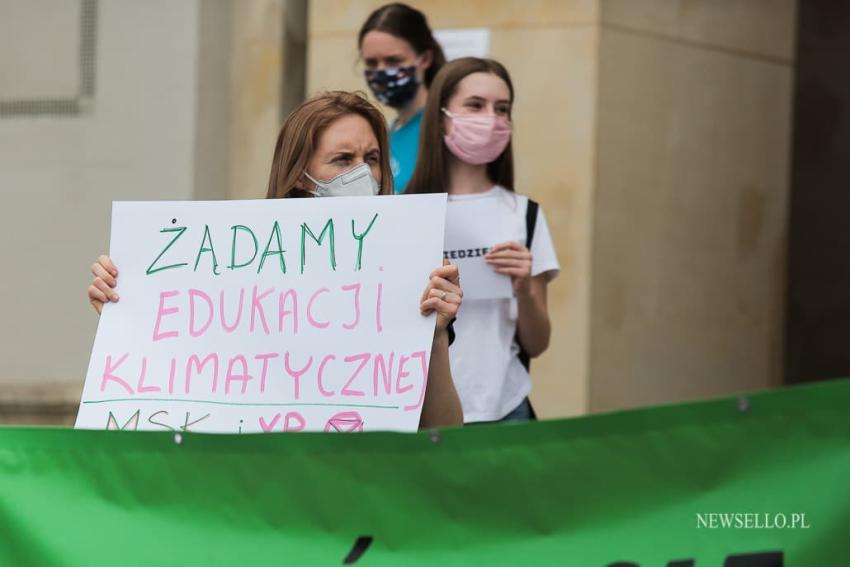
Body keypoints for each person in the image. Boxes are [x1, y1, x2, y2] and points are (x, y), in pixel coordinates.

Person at [88, 91, 464, 429]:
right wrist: (130, 311)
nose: (362, 173)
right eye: (342, 160)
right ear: (301, 175)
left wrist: (435, 336)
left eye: (372, 158)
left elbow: (443, 430)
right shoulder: (237, 270)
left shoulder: (413, 270)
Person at [406, 58, 560, 424]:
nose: (491, 118)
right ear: (442, 115)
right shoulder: (408, 214)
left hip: (508, 409)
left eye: (502, 109)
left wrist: (523, 288)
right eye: (475, 105)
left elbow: (537, 343)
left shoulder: (525, 214)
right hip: (426, 414)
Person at [358, 3, 445, 193]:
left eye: (393, 61)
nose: (381, 71)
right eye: (372, 62)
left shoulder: (445, 128)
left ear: (425, 59)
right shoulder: (388, 132)